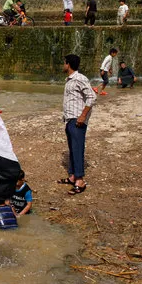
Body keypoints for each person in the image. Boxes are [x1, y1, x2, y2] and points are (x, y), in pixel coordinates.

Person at [61, 54, 97, 195]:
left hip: (77, 120)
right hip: (70, 119)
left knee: (77, 148)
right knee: (72, 148)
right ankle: (72, 176)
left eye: (64, 63)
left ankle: (80, 180)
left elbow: (92, 97)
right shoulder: (70, 80)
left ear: (68, 64)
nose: (63, 65)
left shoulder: (80, 78)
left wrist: (82, 116)